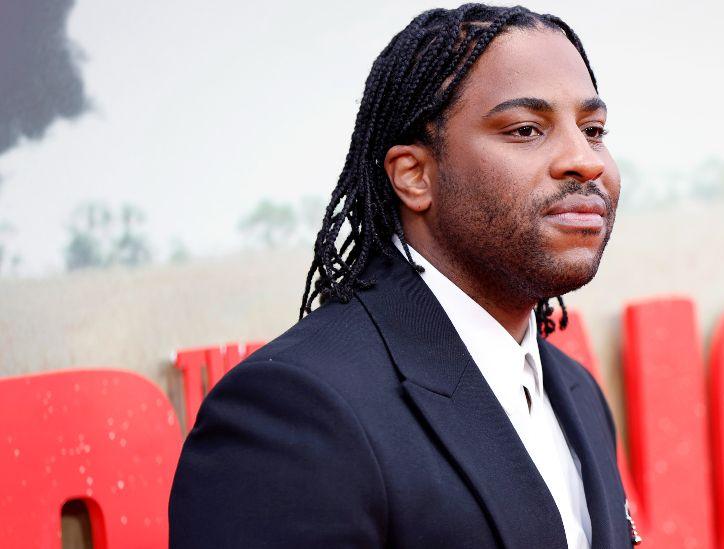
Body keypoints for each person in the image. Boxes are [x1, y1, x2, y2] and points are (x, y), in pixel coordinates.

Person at [169, 4, 634, 547]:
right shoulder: (295, 409)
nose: (584, 160)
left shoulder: (577, 392)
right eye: (526, 129)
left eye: (594, 129)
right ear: (414, 176)